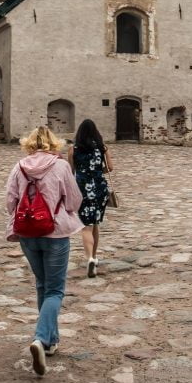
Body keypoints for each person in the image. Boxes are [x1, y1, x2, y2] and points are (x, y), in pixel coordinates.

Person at [5, 125, 83, 376]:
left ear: (29, 144)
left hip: (27, 232)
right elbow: (73, 200)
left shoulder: (20, 166)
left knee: (42, 284)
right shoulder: (60, 166)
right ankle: (40, 338)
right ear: (54, 144)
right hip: (55, 232)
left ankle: (50, 341)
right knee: (55, 289)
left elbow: (10, 202)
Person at [68, 119, 113, 278]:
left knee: (86, 226)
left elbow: (71, 170)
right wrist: (97, 172)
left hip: (82, 189)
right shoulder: (102, 148)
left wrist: (83, 172)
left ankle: (90, 258)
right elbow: (111, 167)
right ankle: (94, 255)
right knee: (96, 222)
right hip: (100, 188)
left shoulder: (73, 149)